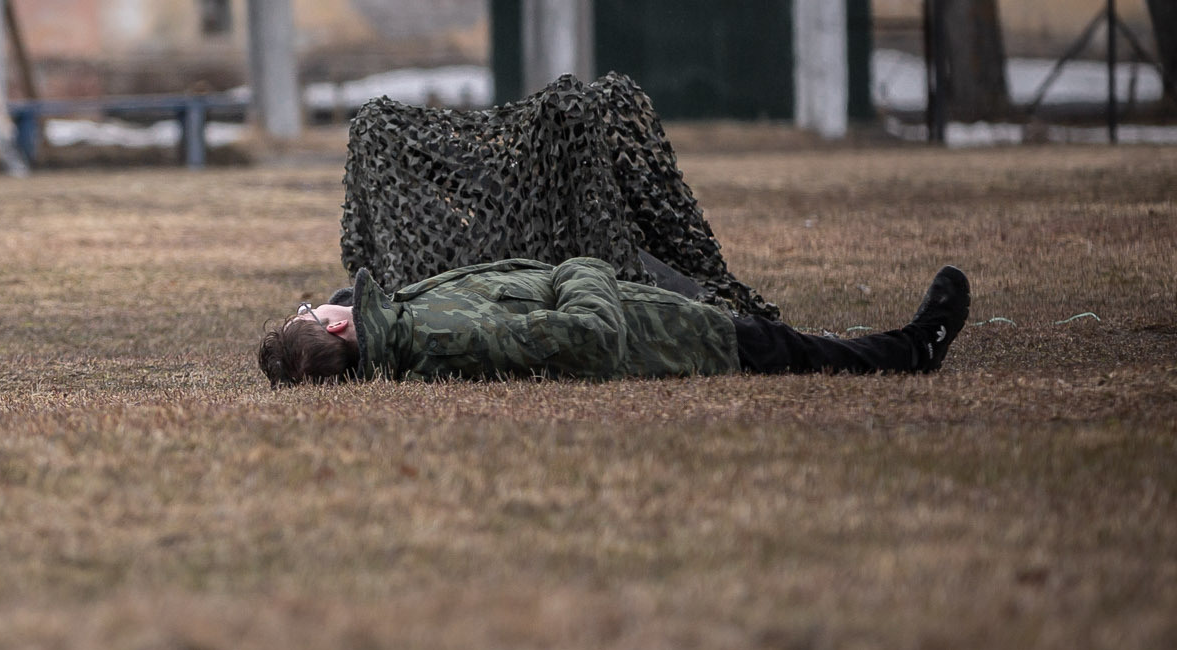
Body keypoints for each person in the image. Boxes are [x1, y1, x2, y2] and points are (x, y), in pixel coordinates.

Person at [256, 258, 969, 387]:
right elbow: (587, 339)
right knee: (792, 350)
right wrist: (581, 268)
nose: (317, 303)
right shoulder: (439, 341)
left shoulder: (389, 325)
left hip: (645, 303)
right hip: (661, 334)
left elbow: (349, 297)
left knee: (772, 335)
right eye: (311, 313)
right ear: (342, 333)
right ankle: (914, 349)